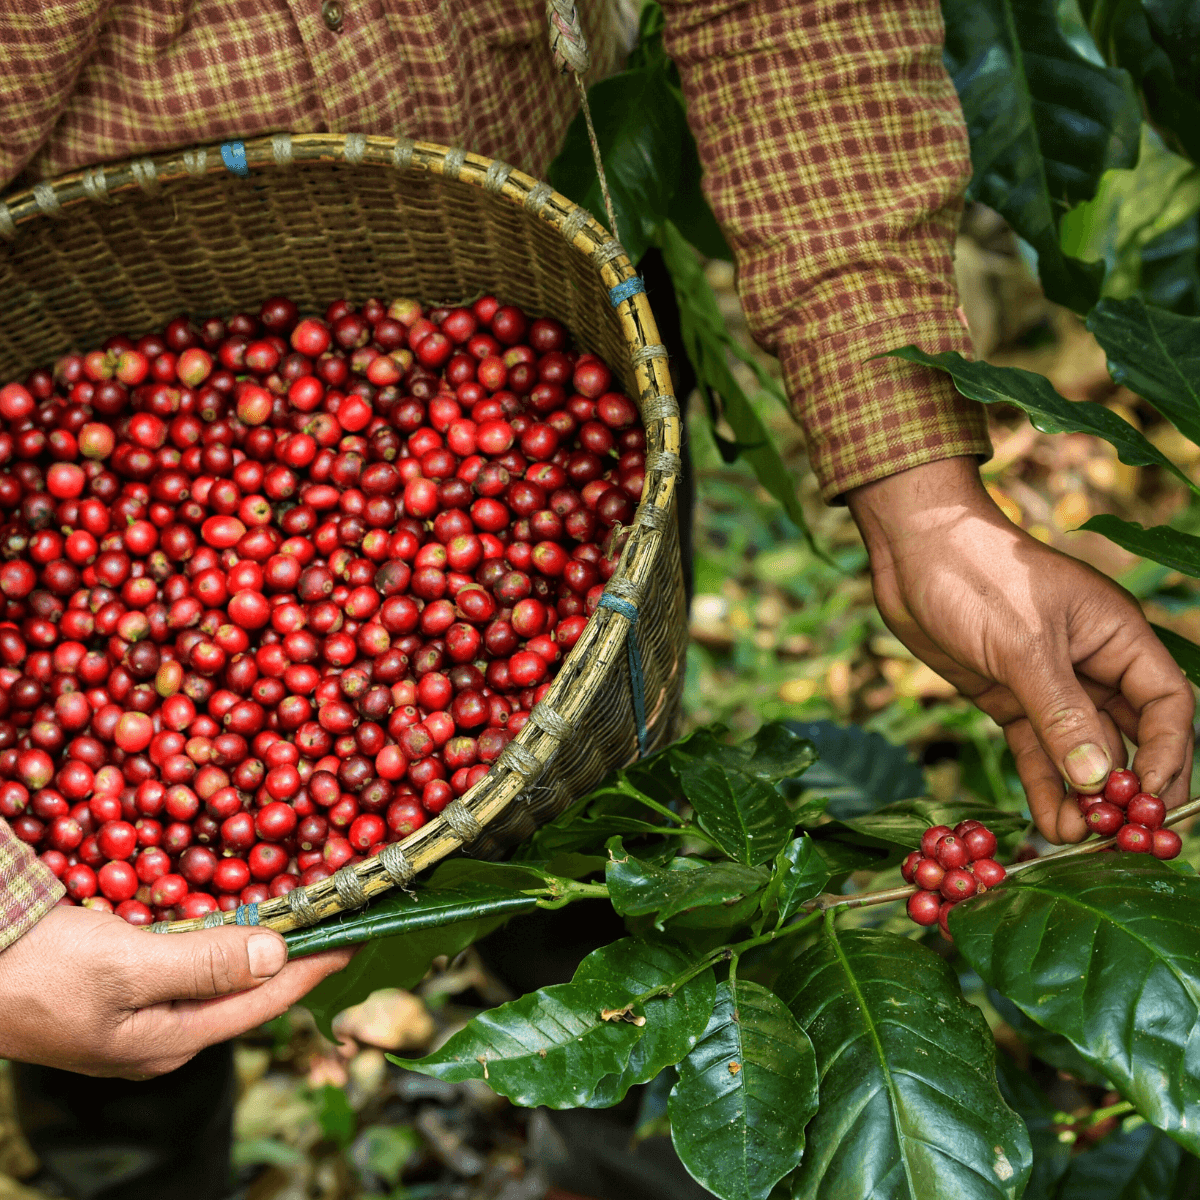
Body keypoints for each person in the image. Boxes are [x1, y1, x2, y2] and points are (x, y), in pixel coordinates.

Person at [0, 0, 1192, 1088]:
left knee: (608, 861)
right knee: (105, 1017)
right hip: (65, 281)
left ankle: (623, 1111)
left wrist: (923, 500)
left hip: (537, 248)